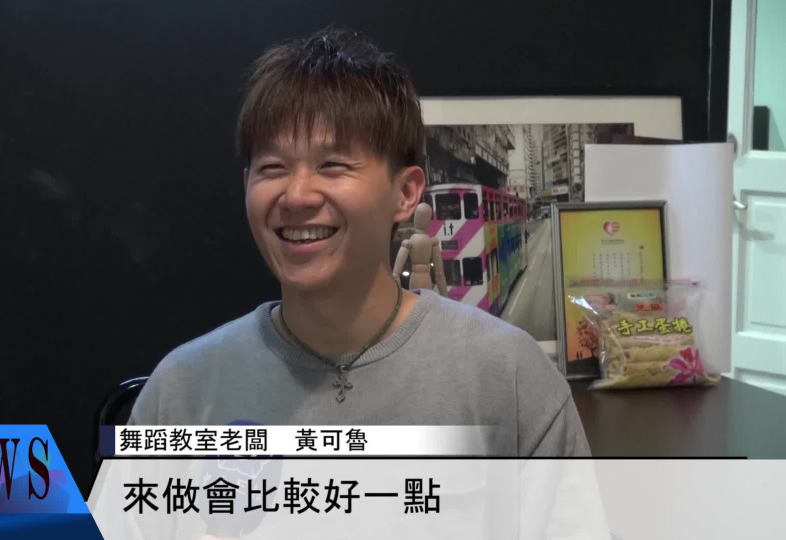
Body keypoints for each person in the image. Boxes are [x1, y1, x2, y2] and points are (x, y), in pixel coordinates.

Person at [130, 28, 590, 457]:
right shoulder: (179, 390)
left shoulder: (509, 376)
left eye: (332, 165)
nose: (296, 196)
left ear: (405, 193)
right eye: (272, 168)